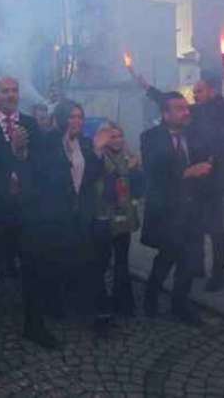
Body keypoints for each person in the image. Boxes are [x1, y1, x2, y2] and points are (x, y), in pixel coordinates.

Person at [138, 71, 224, 292]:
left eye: (199, 91)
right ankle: (196, 267)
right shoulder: (192, 112)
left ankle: (218, 273)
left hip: (216, 177)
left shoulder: (223, 110)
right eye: (193, 92)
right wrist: (148, 88)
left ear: (212, 92)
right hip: (196, 177)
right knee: (195, 224)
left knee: (215, 226)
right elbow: (169, 104)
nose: (194, 96)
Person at [0, 76, 58, 348]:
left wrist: (22, 157)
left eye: (14, 91)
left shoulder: (31, 125)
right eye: (5, 91)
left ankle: (34, 325)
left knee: (33, 270)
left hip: (26, 212)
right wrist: (11, 153)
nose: (11, 95)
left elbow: (42, 167)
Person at [26, 100, 109, 329]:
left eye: (80, 117)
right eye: (72, 117)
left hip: (80, 212)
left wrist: (98, 152)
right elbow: (45, 175)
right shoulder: (48, 141)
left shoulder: (84, 142)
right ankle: (54, 304)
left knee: (83, 260)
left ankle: (84, 306)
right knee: (55, 261)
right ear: (62, 118)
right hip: (55, 212)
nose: (77, 121)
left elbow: (91, 177)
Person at [141, 91, 214, 326]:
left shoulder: (193, 136)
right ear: (165, 113)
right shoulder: (150, 137)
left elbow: (207, 155)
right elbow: (154, 172)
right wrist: (186, 173)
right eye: (180, 108)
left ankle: (180, 304)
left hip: (192, 210)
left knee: (190, 260)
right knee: (167, 257)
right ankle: (151, 294)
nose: (186, 112)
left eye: (186, 108)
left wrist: (207, 166)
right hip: (167, 211)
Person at [94, 121, 144, 317]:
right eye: (111, 136)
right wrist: (127, 169)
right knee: (103, 262)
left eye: (119, 136)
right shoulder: (100, 156)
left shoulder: (128, 156)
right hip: (105, 217)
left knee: (122, 261)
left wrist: (136, 170)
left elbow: (138, 188)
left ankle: (123, 302)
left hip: (124, 218)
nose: (116, 140)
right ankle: (102, 303)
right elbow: (105, 188)